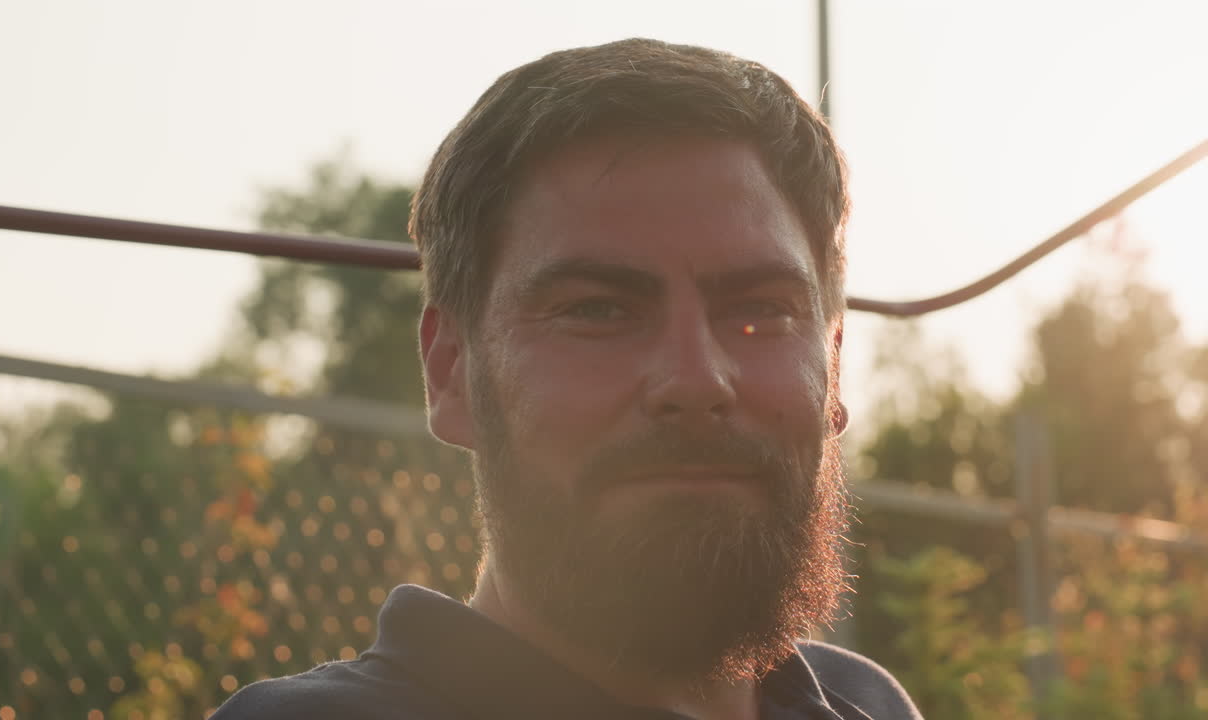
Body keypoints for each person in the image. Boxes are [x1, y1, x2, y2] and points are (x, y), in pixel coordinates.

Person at [212, 38, 923, 720]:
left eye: (762, 310)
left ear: (832, 369)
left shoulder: (869, 703)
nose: (696, 379)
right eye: (598, 310)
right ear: (450, 372)